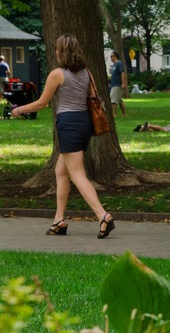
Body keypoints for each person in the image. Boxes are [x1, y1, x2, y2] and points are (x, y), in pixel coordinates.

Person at [11, 34, 115, 239]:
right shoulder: (86, 72)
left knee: (77, 174)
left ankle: (103, 215)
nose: (56, 52)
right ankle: (58, 220)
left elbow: (42, 103)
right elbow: (93, 97)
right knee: (61, 170)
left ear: (61, 51)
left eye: (57, 49)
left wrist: (18, 110)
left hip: (69, 124)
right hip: (85, 123)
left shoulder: (57, 74)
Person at [109, 51, 127, 117]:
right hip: (113, 84)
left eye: (112, 56)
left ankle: (114, 114)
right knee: (119, 100)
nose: (111, 58)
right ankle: (124, 114)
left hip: (117, 84)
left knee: (113, 100)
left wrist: (123, 83)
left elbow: (122, 73)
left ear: (115, 56)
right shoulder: (114, 65)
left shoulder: (119, 63)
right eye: (110, 56)